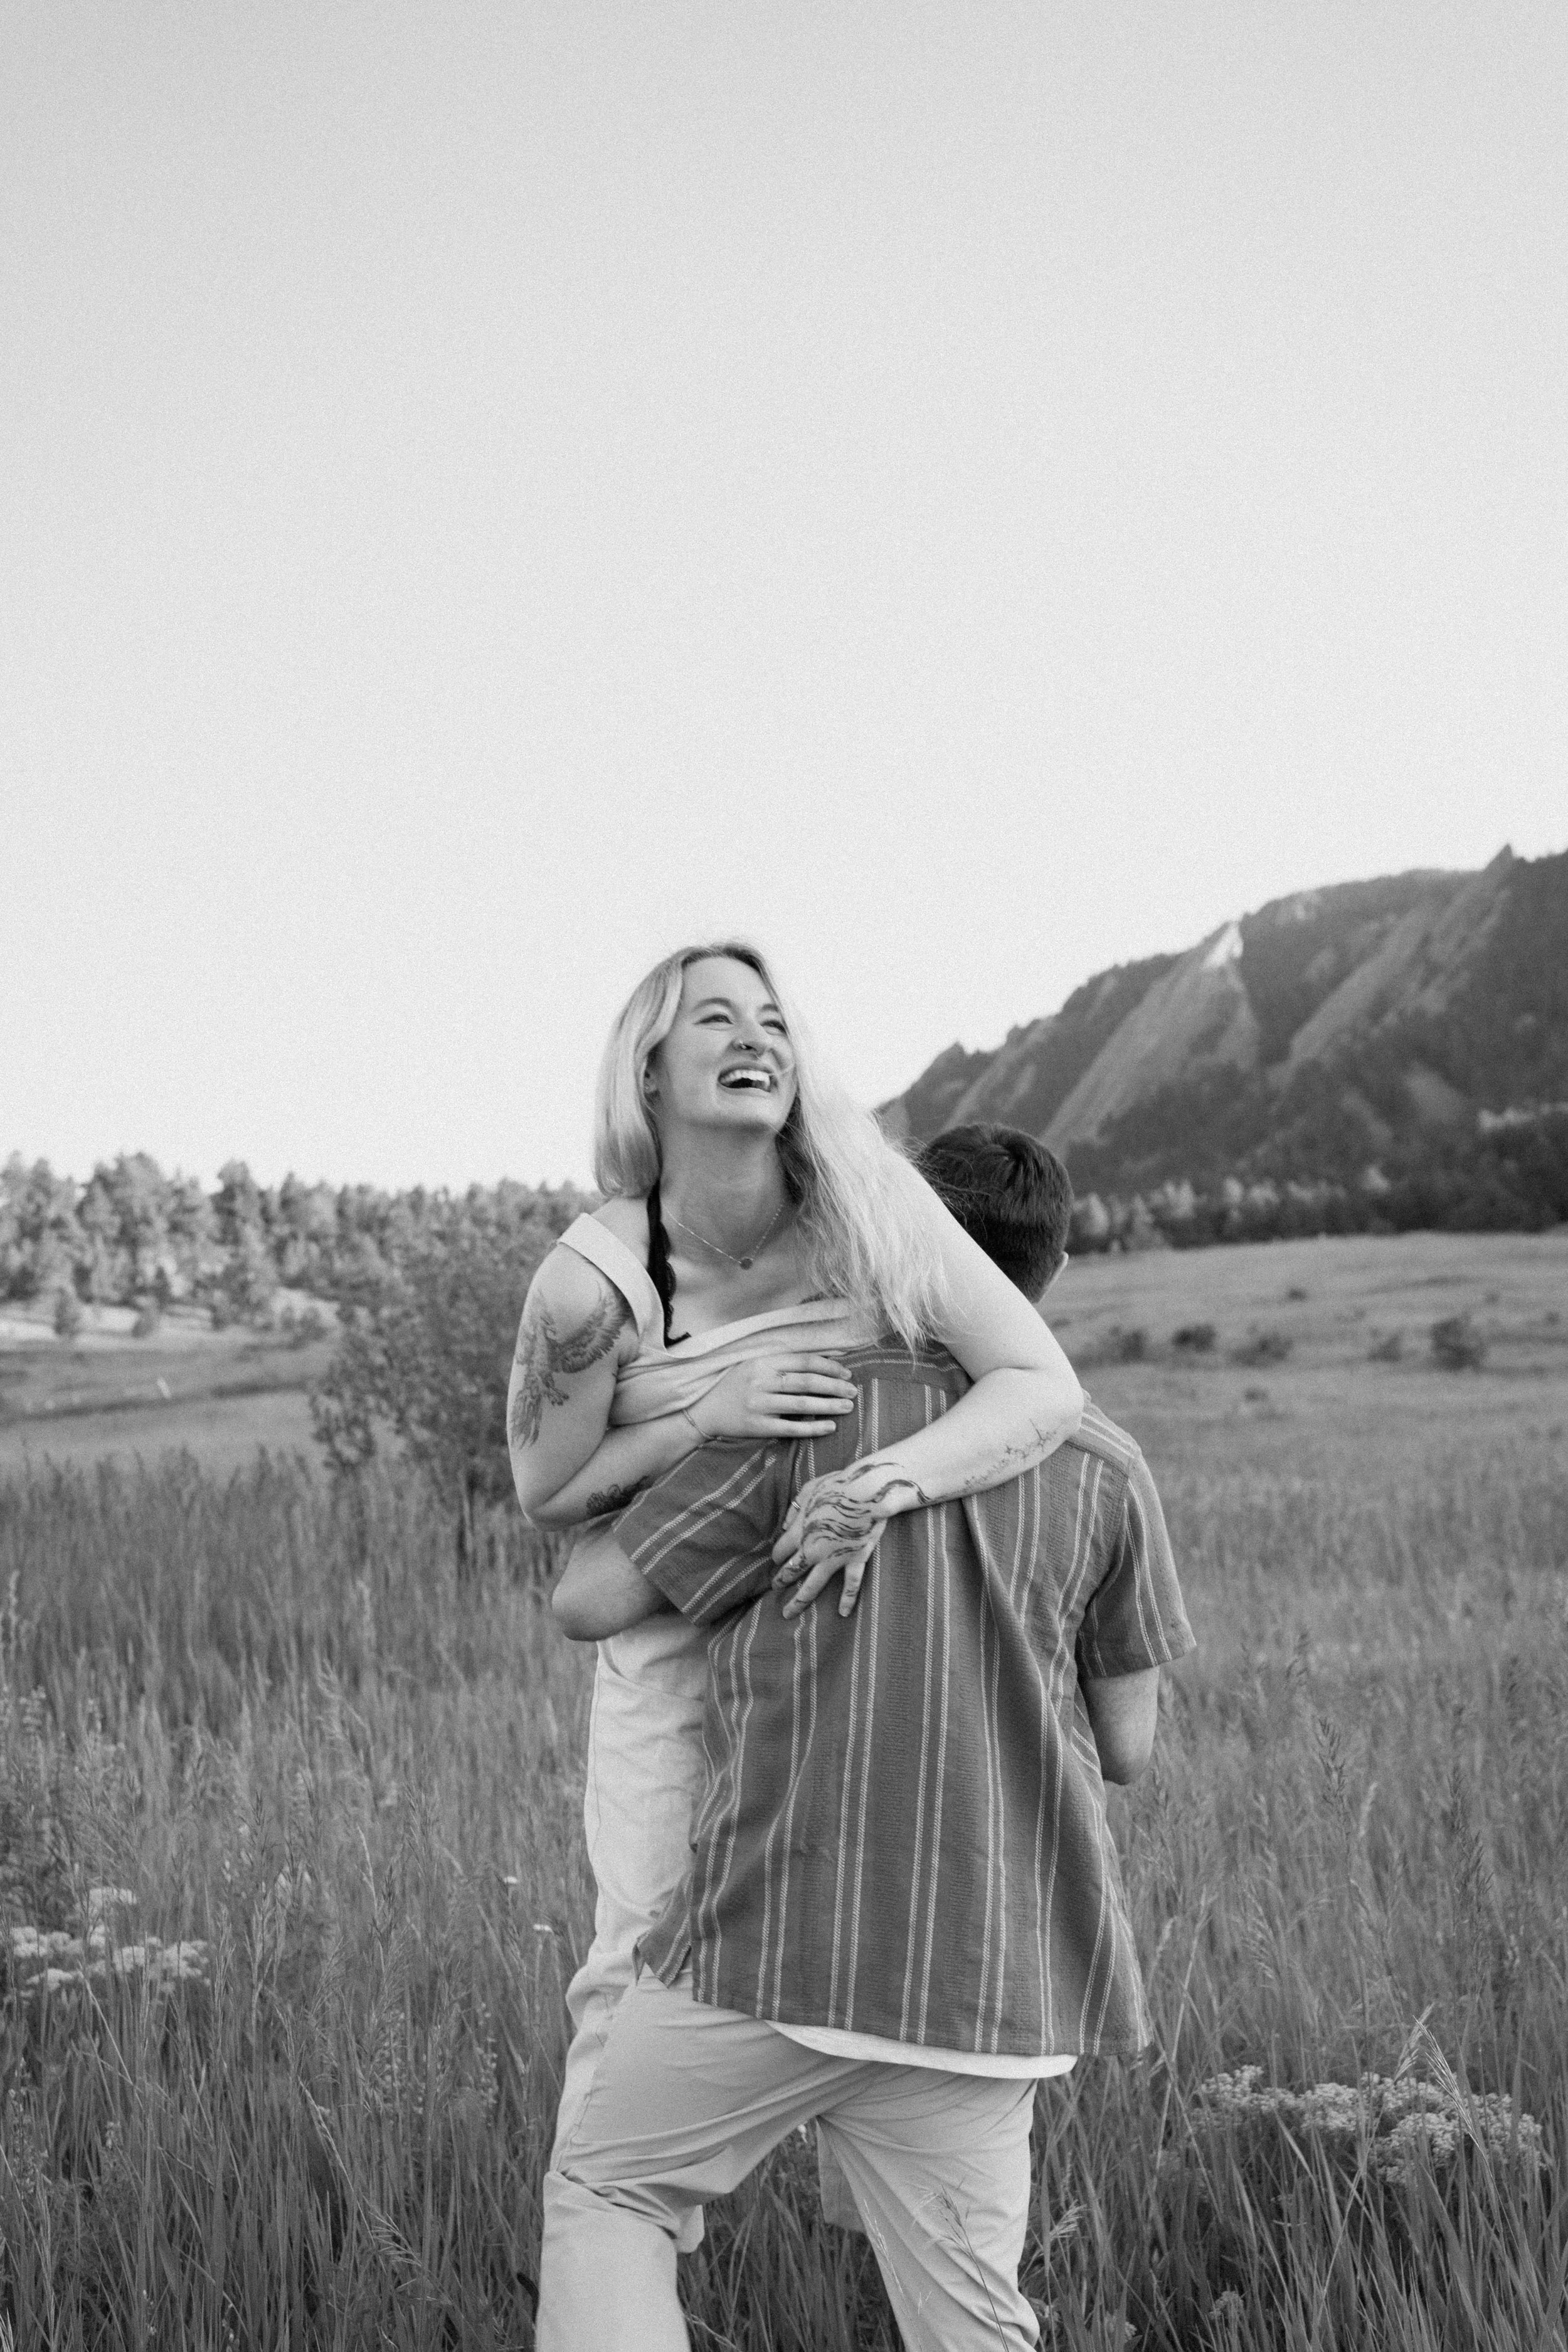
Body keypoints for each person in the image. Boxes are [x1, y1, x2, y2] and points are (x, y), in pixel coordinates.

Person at [536, 1120, 1194, 2351]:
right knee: (971, 2330)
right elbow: (1128, 1747)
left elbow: (585, 1604)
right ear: (1040, 1277)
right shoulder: (1105, 1463)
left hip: (778, 1948)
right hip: (986, 1986)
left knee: (607, 2189)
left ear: (892, 1247)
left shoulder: (807, 1410)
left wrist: (680, 1424)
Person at [506, 945, 1084, 2237]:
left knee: (871, 1957)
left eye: (771, 1017)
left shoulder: (875, 1207)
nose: (753, 1034)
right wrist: (699, 1417)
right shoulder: (591, 1283)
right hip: (669, 1652)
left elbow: (1037, 1383)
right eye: (714, 1017)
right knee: (641, 1966)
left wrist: (873, 1490)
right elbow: (549, 1496)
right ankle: (606, 2261)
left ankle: (891, 2251)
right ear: (646, 1069)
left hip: (854, 1637)